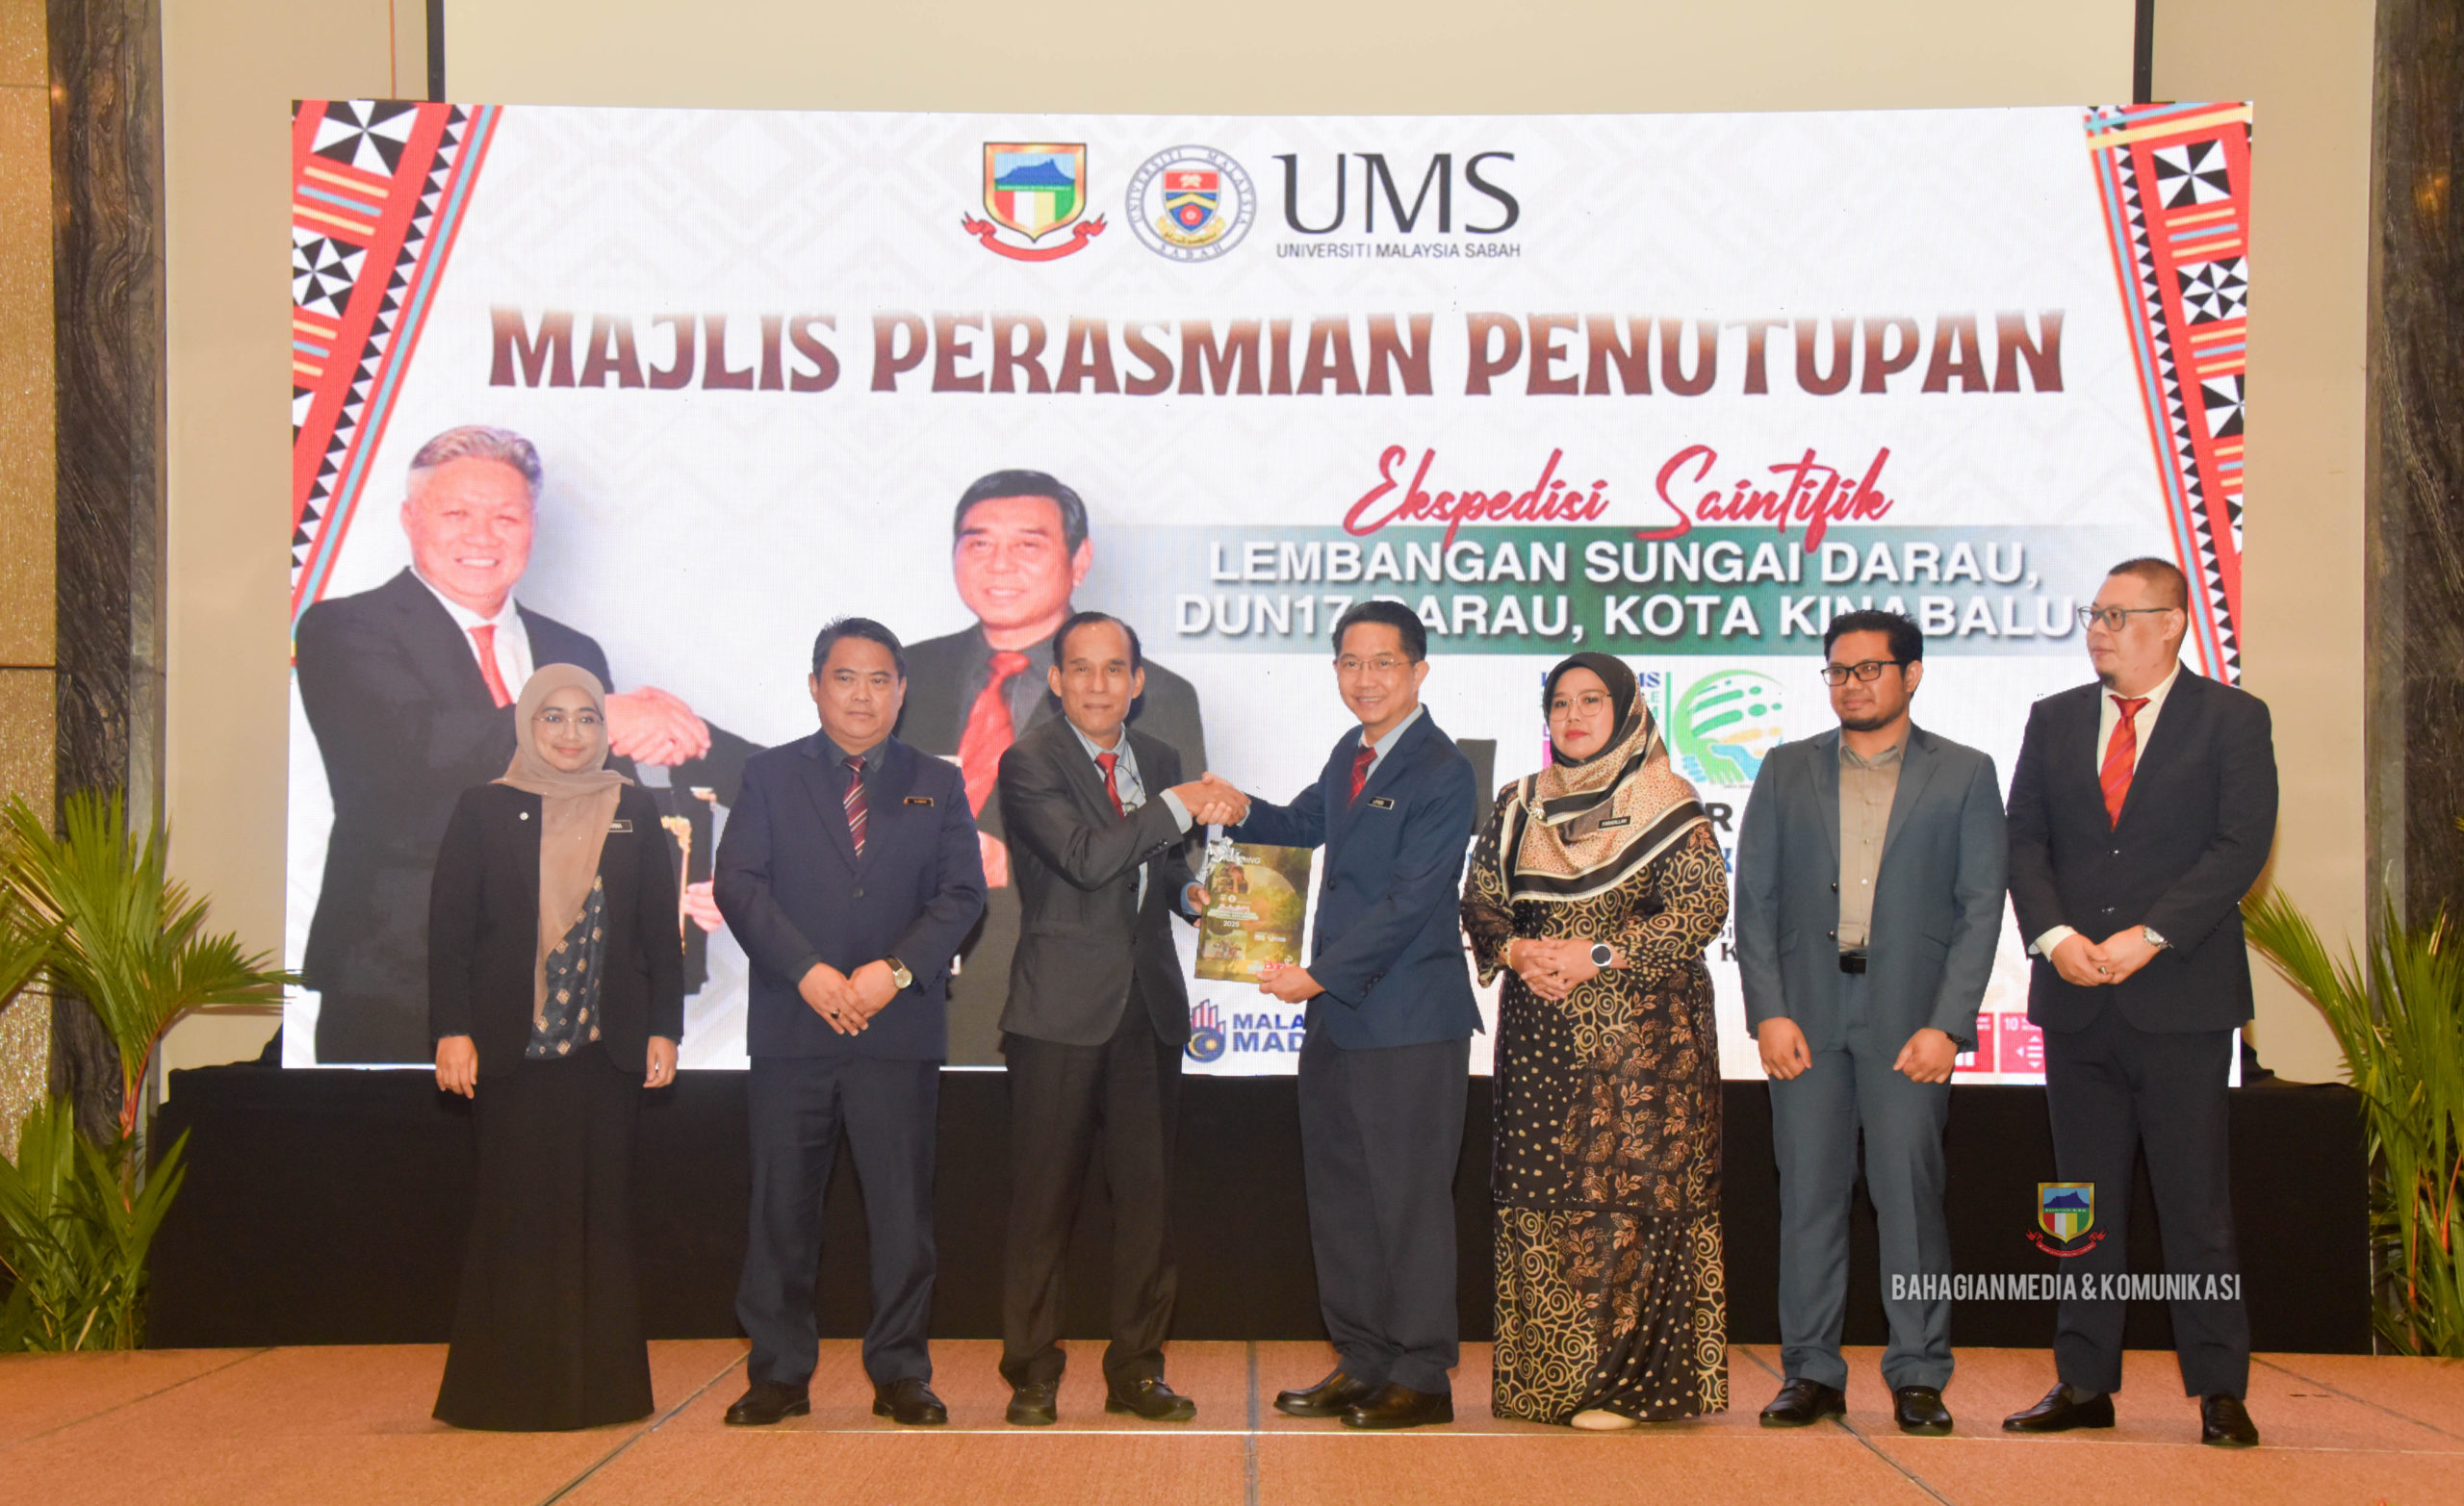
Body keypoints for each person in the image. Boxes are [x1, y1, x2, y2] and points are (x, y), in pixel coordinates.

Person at [296, 424, 748, 1063]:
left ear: (532, 527)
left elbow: (609, 809)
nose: (483, 536)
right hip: (399, 984)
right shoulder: (342, 628)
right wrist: (594, 713)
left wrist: (686, 877)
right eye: (457, 514)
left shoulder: (572, 650)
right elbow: (414, 755)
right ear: (409, 518)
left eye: (506, 517)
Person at [2001, 558, 2275, 1448]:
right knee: (2078, 1204)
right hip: (2075, 999)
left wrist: (2150, 936)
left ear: (2174, 623)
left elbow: (2240, 845)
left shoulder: (2232, 718)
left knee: (2195, 1204)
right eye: (2095, 613)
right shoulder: (2054, 718)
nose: (2098, 629)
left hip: (2181, 1001)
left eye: (2118, 615)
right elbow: (2023, 840)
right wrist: (2055, 937)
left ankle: (2219, 1387)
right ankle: (2084, 1379)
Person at [1732, 611, 2008, 1436]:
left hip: (1908, 1023)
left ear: (1911, 674)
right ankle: (1810, 1371)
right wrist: (1767, 1010)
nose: (1851, 684)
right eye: (1838, 670)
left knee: (1910, 1202)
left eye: (1869, 669)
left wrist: (1948, 1025)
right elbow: (1756, 902)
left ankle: (1918, 1372)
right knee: (1808, 1200)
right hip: (1807, 1018)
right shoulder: (1785, 769)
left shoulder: (1965, 772)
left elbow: (1980, 908)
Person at [711, 618, 987, 1428]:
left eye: (879, 679)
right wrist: (807, 969)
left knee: (901, 1213)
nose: (862, 694)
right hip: (793, 1027)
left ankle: (901, 1371)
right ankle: (778, 1373)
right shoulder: (767, 775)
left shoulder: (937, 781)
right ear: (814, 685)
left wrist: (892, 971)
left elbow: (962, 895)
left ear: (902, 690)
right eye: (844, 676)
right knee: (781, 1208)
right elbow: (740, 883)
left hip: (896, 1031)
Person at [1227, 600, 1480, 1432]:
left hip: (1407, 1022)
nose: (1365, 678)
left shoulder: (1442, 769)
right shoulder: (1353, 751)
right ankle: (1365, 1358)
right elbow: (1304, 824)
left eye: (1383, 662)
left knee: (1407, 1199)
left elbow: (1413, 901)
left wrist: (1319, 975)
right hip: (1338, 1019)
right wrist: (1233, 805)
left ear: (1419, 670)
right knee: (1341, 1197)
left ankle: (1423, 1374)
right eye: (1350, 662)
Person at [1460, 652, 1731, 1429]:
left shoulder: (1666, 799)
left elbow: (1699, 910)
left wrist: (1597, 954)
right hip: (1540, 1029)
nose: (1573, 716)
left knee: (1632, 1198)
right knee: (1540, 1193)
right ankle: (1548, 1382)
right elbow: (1481, 902)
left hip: (1645, 1042)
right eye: (1560, 702)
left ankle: (1627, 1387)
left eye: (1591, 701)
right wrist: (1518, 952)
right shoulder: (1519, 801)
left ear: (1628, 712)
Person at [992, 611, 1245, 1426]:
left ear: (1137, 682)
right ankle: (1032, 1370)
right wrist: (1176, 806)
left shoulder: (1160, 759)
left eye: (1114, 669)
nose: (1098, 684)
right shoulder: (1029, 761)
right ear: (1056, 680)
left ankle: (1137, 1368)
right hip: (1058, 1010)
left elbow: (1158, 867)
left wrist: (1192, 893)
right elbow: (1087, 859)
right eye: (1081, 668)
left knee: (1146, 1203)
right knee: (1044, 1203)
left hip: (1149, 1008)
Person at [426, 663, 682, 1431]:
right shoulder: (483, 807)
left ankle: (602, 1392)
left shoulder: (633, 806)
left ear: (604, 728)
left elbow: (658, 933)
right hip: (510, 1051)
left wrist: (665, 1027)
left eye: (586, 718)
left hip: (605, 1053)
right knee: (514, 1219)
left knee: (601, 1221)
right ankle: (500, 1394)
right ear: (528, 724)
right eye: (554, 717)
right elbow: (450, 931)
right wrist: (451, 1028)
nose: (571, 733)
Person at [899, 470, 1208, 1062]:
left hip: (1087, 992)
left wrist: (1196, 893)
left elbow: (1171, 858)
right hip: (923, 975)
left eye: (1027, 544)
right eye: (979, 543)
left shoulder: (1165, 698)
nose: (1000, 564)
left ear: (1080, 558)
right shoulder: (905, 676)